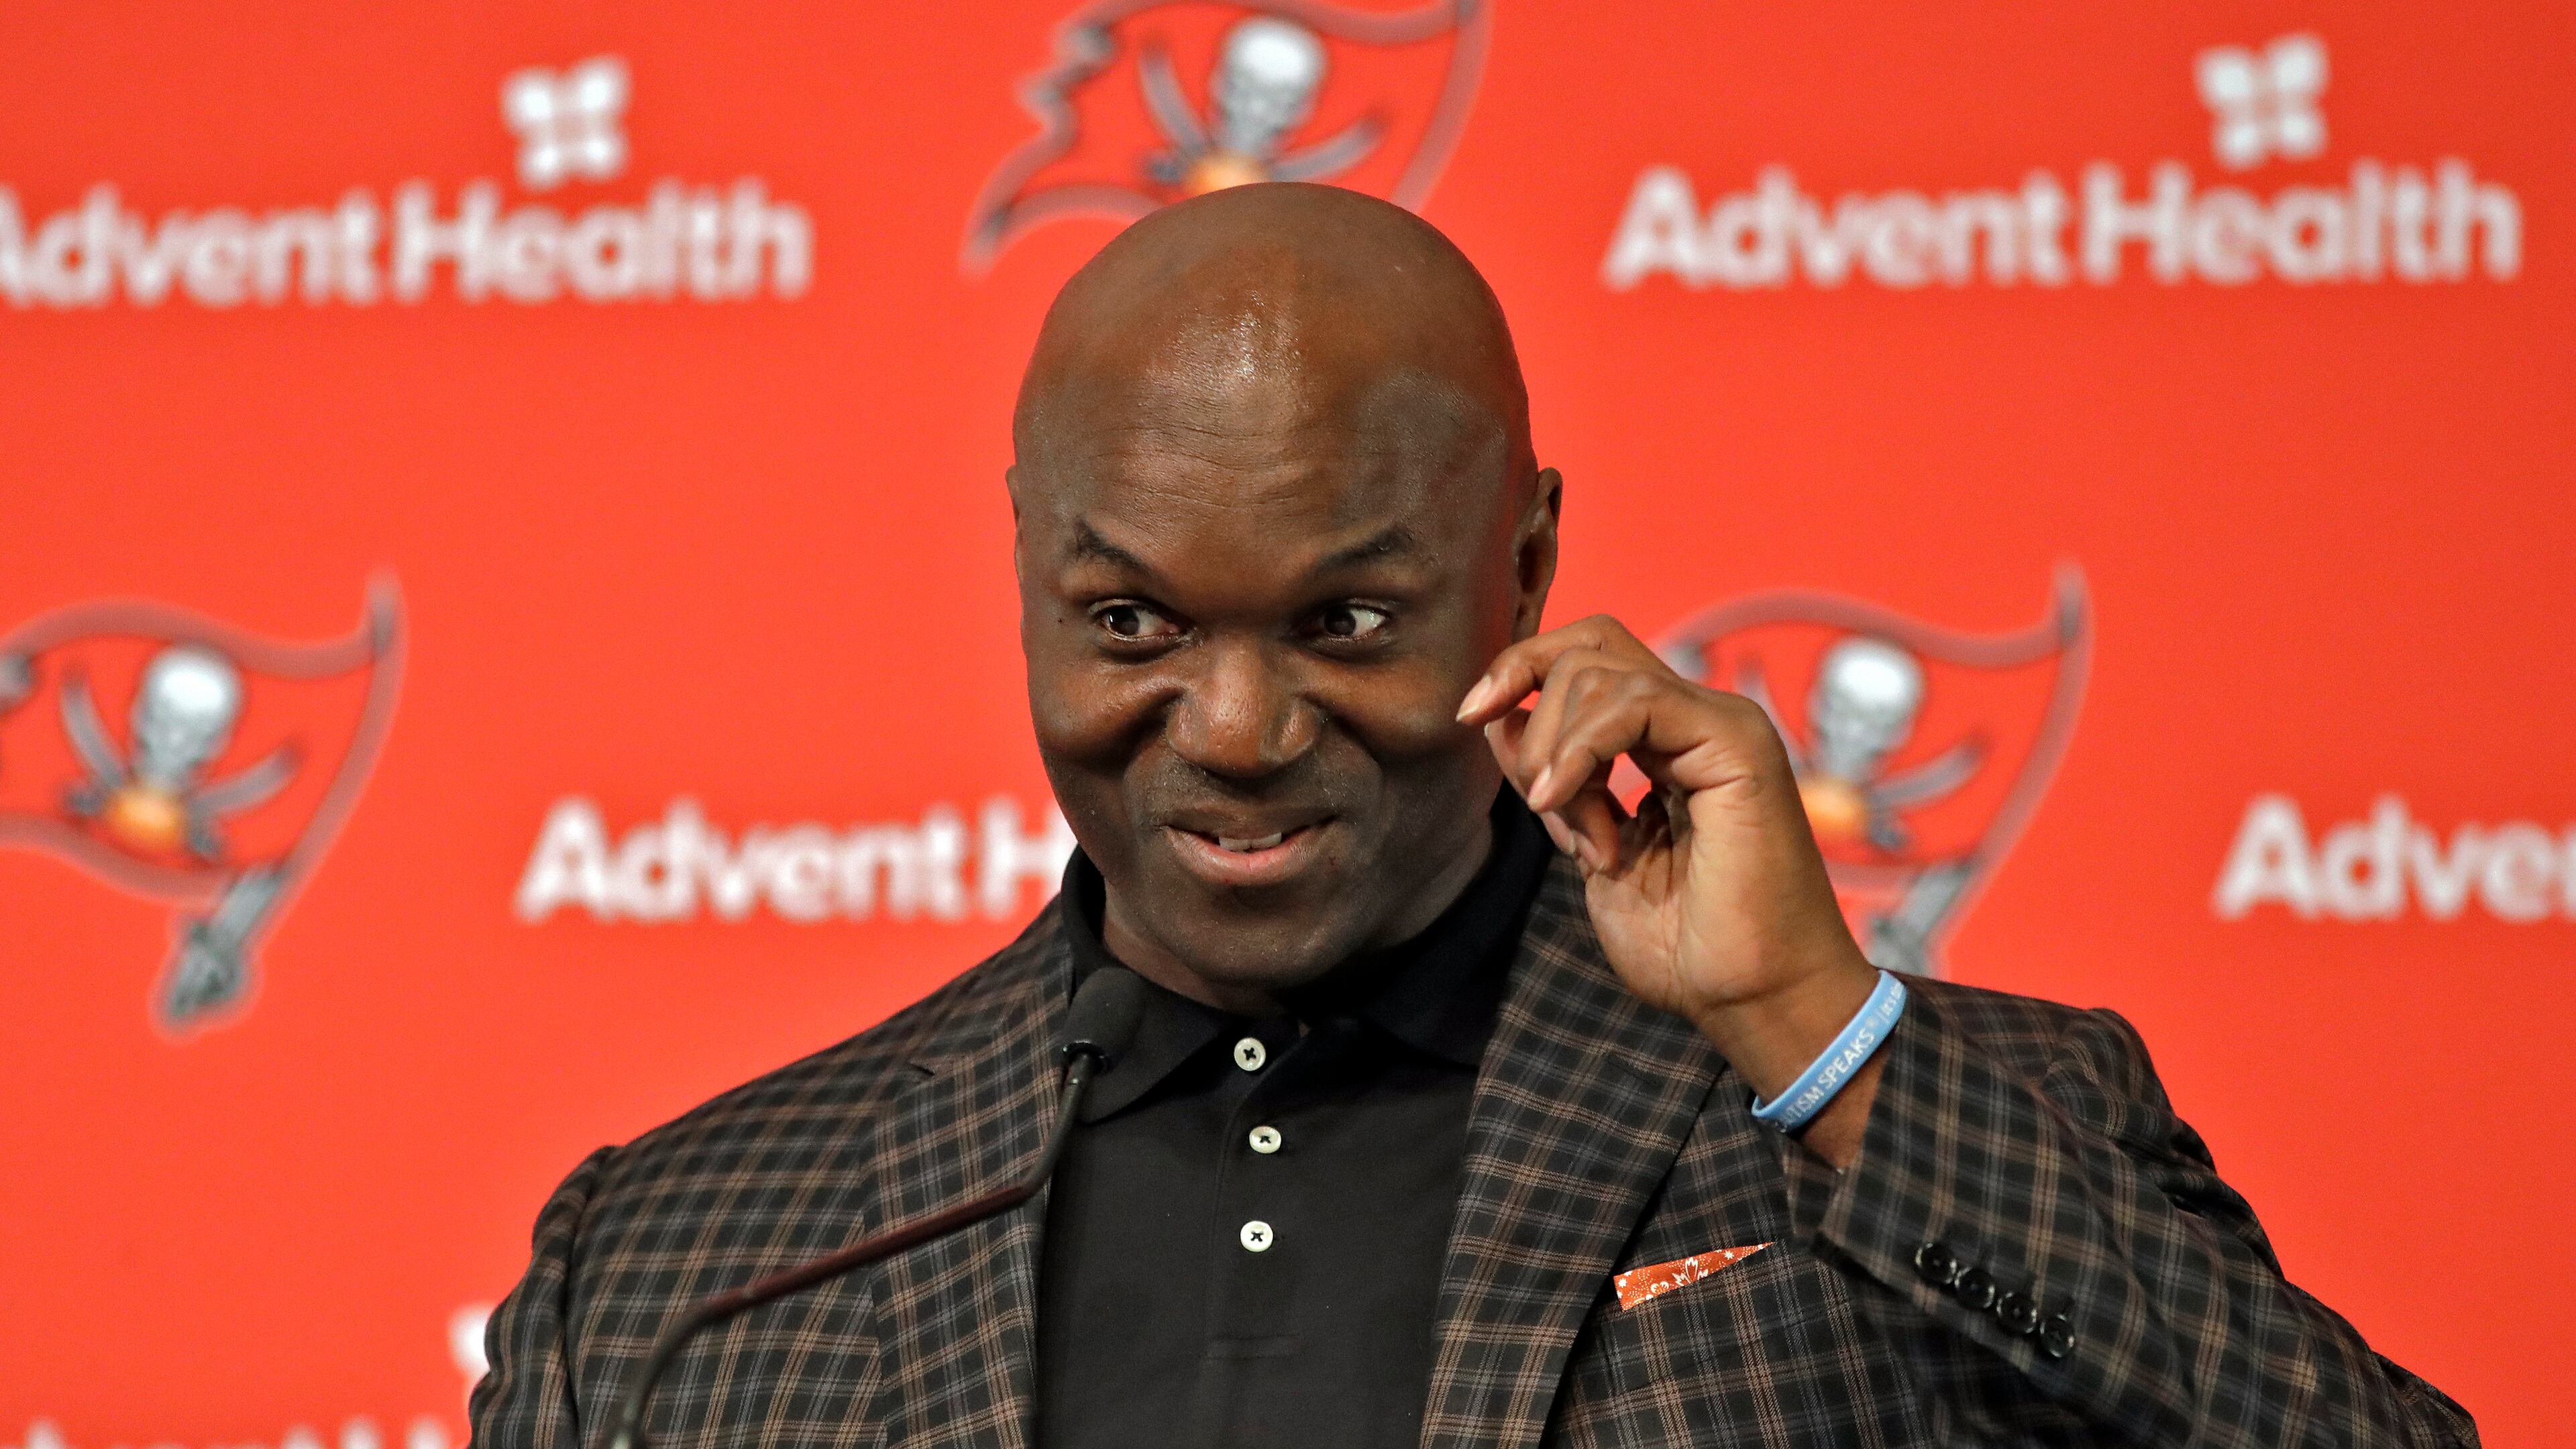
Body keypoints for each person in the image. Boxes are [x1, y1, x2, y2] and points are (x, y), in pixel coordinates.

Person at [468, 183, 2475, 1448]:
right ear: (1022, 579)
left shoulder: (1901, 1134)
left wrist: (1814, 1038)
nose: (1237, 727)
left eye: (1348, 619)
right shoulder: (670, 1260)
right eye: (1130, 623)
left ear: (1524, 571)